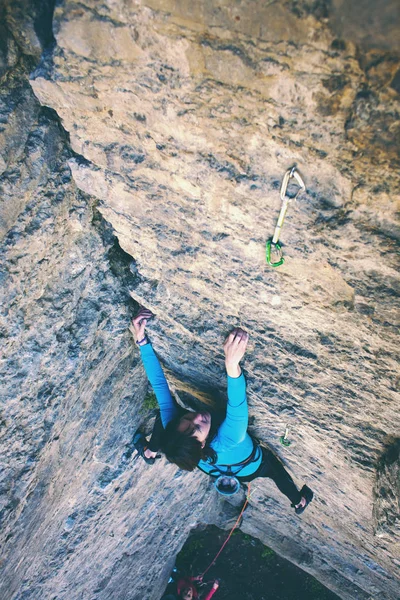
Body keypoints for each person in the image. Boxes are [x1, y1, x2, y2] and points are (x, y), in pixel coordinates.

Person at [132, 308, 313, 514]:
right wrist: (231, 363)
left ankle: (151, 451)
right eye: (198, 427)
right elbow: (237, 403)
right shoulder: (230, 437)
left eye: (189, 417)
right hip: (250, 468)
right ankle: (299, 501)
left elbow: (159, 385)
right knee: (274, 471)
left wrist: (141, 340)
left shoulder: (177, 428)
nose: (199, 416)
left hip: (217, 467)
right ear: (201, 444)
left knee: (165, 421)